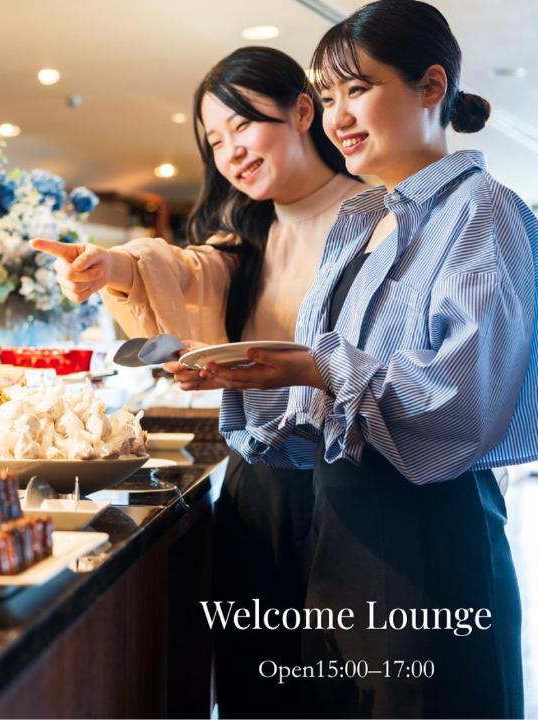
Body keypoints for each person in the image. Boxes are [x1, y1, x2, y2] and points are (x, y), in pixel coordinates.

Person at [179, 1, 536, 716]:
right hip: (341, 529)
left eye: (357, 89)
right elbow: (331, 395)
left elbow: (463, 399)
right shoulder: (368, 223)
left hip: (429, 531)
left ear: (431, 87)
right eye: (328, 94)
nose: (337, 115)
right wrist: (253, 377)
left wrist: (312, 367)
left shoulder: (485, 211)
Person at [33, 46, 363, 718]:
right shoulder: (246, 235)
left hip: (352, 486)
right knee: (254, 686)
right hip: (256, 485)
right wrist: (111, 266)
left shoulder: (374, 214)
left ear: (304, 111)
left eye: (243, 125)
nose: (231, 152)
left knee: (342, 683)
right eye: (214, 140)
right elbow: (183, 270)